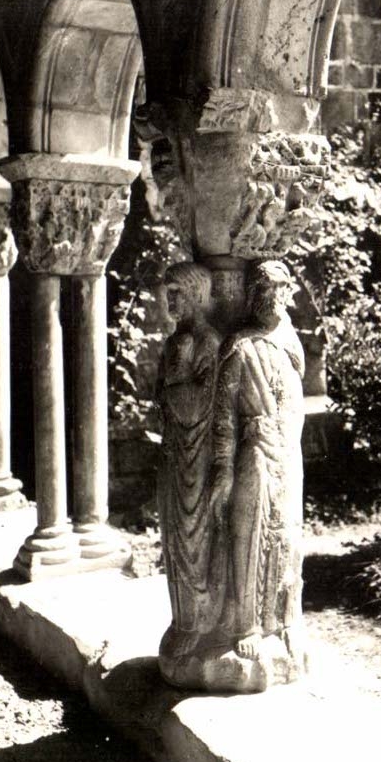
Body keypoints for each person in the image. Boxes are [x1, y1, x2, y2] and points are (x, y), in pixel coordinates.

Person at [208, 260, 305, 664]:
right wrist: (224, 470)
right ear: (255, 297)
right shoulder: (240, 347)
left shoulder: (290, 344)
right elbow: (225, 416)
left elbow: (295, 402)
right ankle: (247, 624)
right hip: (256, 453)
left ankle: (282, 621)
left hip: (287, 455)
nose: (276, 299)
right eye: (268, 292)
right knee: (248, 536)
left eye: (282, 291)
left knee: (287, 539)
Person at [156, 262, 223, 678]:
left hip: (196, 454)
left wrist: (173, 387)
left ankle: (201, 624)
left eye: (178, 292)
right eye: (168, 293)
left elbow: (202, 402)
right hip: (175, 451)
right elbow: (160, 395)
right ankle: (185, 620)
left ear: (198, 294)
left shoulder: (208, 342)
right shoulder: (175, 341)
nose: (171, 300)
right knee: (176, 539)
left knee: (197, 538)